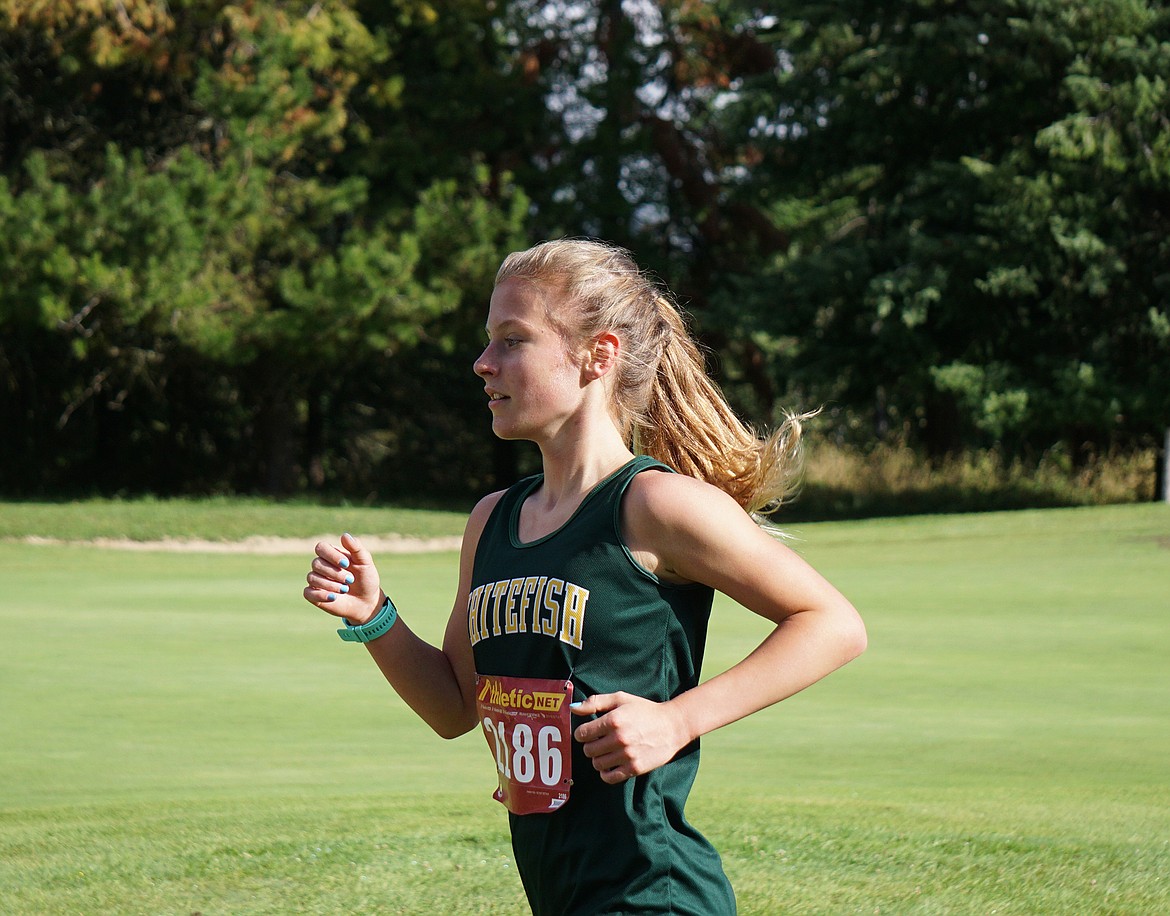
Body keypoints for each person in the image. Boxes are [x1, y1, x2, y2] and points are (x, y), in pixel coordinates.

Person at [303, 238, 867, 915]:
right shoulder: (492, 521)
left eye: (513, 340)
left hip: (653, 895)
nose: (484, 364)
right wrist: (376, 617)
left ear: (598, 355)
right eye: (489, 341)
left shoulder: (656, 506)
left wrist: (678, 720)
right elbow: (455, 707)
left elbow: (833, 624)